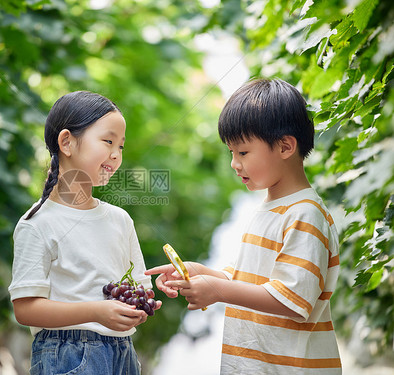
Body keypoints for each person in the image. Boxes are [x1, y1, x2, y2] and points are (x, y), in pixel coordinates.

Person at [146, 78, 341, 374]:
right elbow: (250, 282)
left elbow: (293, 300)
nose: (234, 164)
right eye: (231, 153)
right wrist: (202, 272)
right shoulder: (269, 209)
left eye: (243, 152)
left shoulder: (304, 214)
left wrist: (218, 290)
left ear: (286, 146)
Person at [8, 91, 159, 375]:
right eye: (108, 141)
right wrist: (96, 312)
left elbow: (141, 286)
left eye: (121, 147)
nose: (116, 154)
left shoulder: (120, 220)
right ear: (66, 142)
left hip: (123, 352)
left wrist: (138, 309)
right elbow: (25, 309)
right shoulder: (38, 224)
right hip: (66, 354)